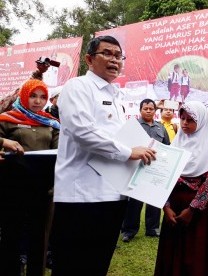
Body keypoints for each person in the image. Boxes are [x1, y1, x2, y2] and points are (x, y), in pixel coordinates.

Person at [51, 36, 156, 276]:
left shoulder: (117, 96)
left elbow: (117, 136)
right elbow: (82, 132)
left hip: (114, 195)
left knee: (98, 264)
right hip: (81, 196)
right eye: (107, 54)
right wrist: (129, 152)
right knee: (73, 266)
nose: (114, 60)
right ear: (89, 59)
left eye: (119, 56)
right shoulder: (77, 87)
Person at [0, 79, 60, 275]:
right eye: (33, 95)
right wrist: (3, 142)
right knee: (12, 235)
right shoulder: (7, 119)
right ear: (24, 96)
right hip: (12, 188)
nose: (38, 101)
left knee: (39, 237)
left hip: (42, 189)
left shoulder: (52, 123)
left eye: (42, 97)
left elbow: (60, 151)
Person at [154, 101, 208, 276]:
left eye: (190, 120)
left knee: (193, 253)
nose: (184, 123)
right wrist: (166, 207)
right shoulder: (176, 144)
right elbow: (163, 176)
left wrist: (192, 210)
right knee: (170, 251)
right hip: (173, 206)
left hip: (195, 210)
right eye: (182, 118)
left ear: (201, 122)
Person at [121, 99, 170, 242]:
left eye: (151, 108)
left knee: (154, 198)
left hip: (155, 167)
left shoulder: (161, 128)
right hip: (136, 166)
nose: (148, 111)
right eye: (145, 108)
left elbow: (167, 146)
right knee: (134, 200)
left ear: (155, 111)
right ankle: (129, 231)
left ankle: (153, 229)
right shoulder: (133, 126)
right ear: (140, 110)